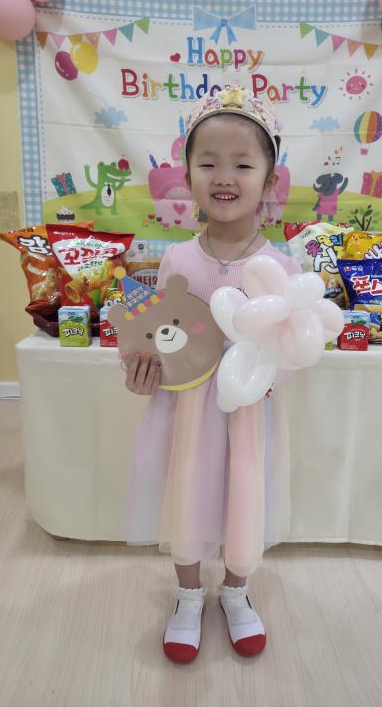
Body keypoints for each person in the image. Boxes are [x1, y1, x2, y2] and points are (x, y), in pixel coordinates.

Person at [124, 84, 301, 664]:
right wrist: (144, 370)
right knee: (186, 492)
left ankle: (237, 591)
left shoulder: (278, 265)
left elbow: (290, 346)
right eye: (208, 163)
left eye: (243, 165)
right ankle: (187, 596)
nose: (225, 177)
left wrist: (269, 378)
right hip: (186, 410)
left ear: (269, 181)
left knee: (244, 494)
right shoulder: (177, 258)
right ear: (188, 175)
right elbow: (160, 336)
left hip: (247, 411)